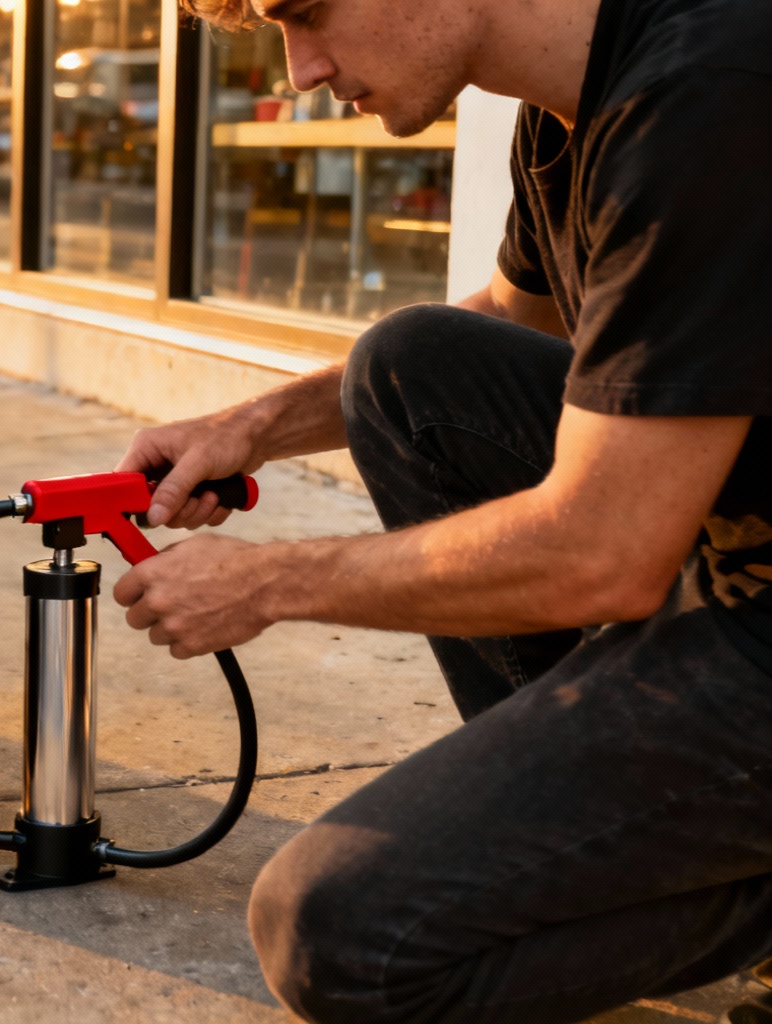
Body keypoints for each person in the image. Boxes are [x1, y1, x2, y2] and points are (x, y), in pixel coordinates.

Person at [109, 0, 772, 1018]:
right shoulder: (563, 107)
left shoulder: (709, 89)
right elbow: (513, 317)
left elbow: (601, 553)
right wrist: (249, 424)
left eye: (305, 13)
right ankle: (614, 830)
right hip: (728, 559)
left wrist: (267, 581)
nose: (300, 71)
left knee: (339, 934)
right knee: (406, 366)